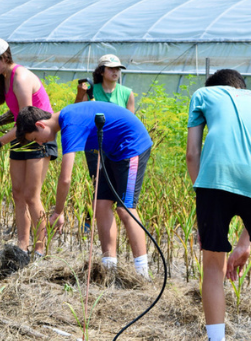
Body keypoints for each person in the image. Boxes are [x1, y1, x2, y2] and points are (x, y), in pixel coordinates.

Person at [186, 69, 251, 341]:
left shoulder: (204, 94)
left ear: (216, 87)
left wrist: (202, 191)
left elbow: (192, 153)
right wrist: (244, 243)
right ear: (242, 87)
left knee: (213, 267)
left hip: (214, 178)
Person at [16, 102, 153, 278]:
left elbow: (65, 178)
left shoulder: (70, 124)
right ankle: (108, 269)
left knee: (125, 208)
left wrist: (58, 211)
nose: (40, 143)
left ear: (40, 125)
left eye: (36, 138)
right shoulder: (66, 118)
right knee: (100, 204)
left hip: (132, 145)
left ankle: (142, 274)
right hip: (110, 151)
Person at [0, 38, 57, 256]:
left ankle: (40, 249)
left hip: (38, 136)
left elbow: (25, 120)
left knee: (32, 196)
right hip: (21, 138)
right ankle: (23, 246)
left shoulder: (20, 78)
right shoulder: (5, 78)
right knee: (18, 193)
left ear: (4, 58)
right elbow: (14, 115)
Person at [74, 54, 135, 233]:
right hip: (95, 145)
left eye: (118, 69)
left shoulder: (126, 93)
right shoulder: (92, 91)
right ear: (102, 71)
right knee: (98, 183)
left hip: (117, 147)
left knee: (117, 183)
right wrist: (80, 93)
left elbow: (130, 121)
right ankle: (88, 221)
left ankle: (111, 220)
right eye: (111, 68)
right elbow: (78, 111)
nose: (115, 72)